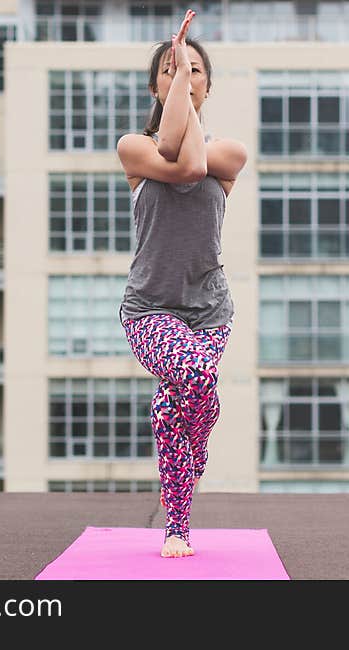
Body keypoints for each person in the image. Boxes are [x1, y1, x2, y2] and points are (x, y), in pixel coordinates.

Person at [115, 10, 247, 558]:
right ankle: (190, 471)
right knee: (195, 383)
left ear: (208, 85)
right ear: (155, 86)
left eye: (195, 70)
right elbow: (183, 163)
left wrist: (182, 85)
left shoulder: (230, 153)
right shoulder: (133, 149)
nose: (186, 76)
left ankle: (177, 524)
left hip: (209, 309)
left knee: (177, 404)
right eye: (172, 69)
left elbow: (197, 159)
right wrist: (181, 96)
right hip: (149, 309)